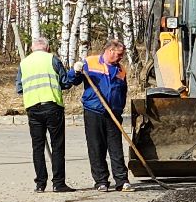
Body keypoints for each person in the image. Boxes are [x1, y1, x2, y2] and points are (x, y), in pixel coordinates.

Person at [67, 40, 131, 191]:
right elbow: (73, 81)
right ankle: (101, 181)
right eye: (119, 54)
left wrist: (119, 108)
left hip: (113, 113)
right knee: (96, 147)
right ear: (110, 51)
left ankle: (122, 180)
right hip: (94, 111)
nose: (121, 58)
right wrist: (75, 71)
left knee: (116, 148)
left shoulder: (121, 70)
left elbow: (123, 91)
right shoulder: (90, 62)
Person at [16, 36, 73, 192]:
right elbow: (66, 82)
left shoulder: (24, 63)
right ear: (47, 48)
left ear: (32, 48)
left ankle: (40, 184)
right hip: (52, 105)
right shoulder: (52, 59)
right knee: (57, 145)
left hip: (33, 108)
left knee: (38, 147)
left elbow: (20, 88)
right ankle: (58, 183)